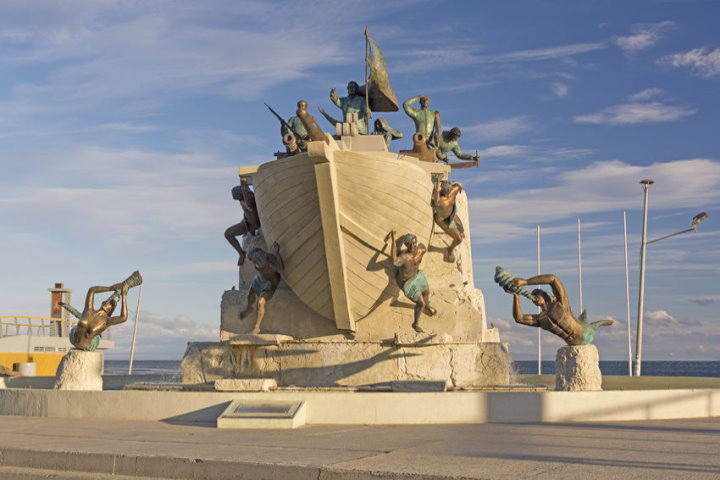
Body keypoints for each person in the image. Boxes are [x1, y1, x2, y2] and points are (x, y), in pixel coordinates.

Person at [507, 274, 614, 345]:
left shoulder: (561, 304)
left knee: (594, 325)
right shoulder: (540, 319)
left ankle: (601, 322)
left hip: (584, 335)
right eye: (534, 295)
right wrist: (516, 295)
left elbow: (553, 279)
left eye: (538, 294)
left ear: (547, 296)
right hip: (573, 343)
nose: (535, 297)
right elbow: (519, 318)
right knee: (589, 323)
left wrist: (525, 282)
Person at [62, 275, 138, 351]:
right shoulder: (89, 309)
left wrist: (124, 296)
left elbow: (123, 317)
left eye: (110, 304)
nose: (107, 302)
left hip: (86, 345)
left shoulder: (106, 322)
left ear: (110, 309)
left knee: (95, 337)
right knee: (76, 326)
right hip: (73, 339)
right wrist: (110, 288)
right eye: (107, 301)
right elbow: (92, 290)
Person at [389, 231, 436, 332]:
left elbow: (425, 247)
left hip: (417, 276)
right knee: (421, 303)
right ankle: (415, 324)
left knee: (427, 292)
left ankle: (428, 305)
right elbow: (394, 260)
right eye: (409, 244)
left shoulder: (420, 250)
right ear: (406, 245)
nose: (412, 245)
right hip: (407, 282)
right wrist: (393, 240)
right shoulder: (403, 257)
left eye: (414, 243)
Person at [240, 243, 284, 334]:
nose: (257, 266)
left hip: (270, 283)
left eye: (260, 265)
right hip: (260, 278)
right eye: (255, 263)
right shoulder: (252, 255)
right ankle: (249, 308)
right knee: (250, 294)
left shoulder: (270, 261)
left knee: (260, 302)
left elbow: (280, 270)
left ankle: (257, 328)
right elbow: (252, 252)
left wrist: (277, 253)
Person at [224, 177, 261, 266]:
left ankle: (241, 254)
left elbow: (250, 208)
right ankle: (241, 253)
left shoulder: (247, 198)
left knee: (228, 234)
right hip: (246, 221)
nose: (238, 200)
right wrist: (243, 184)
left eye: (237, 197)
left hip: (251, 225)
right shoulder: (244, 196)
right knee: (228, 234)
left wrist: (243, 189)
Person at [433, 179, 465, 262]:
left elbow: (458, 185)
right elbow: (436, 200)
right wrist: (437, 185)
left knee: (462, 230)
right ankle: (449, 250)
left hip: (452, 215)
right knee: (459, 239)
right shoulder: (440, 201)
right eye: (444, 192)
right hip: (442, 220)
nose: (446, 194)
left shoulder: (454, 191)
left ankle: (458, 233)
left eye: (448, 191)